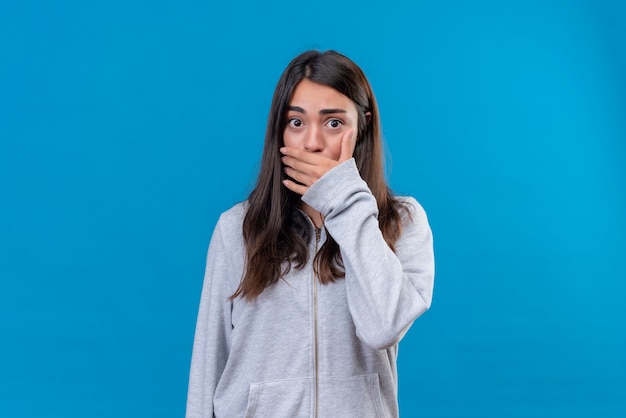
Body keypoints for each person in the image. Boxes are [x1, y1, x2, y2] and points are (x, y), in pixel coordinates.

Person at [186, 50, 435, 418]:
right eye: (296, 122)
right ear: (280, 130)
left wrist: (345, 202)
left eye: (334, 123)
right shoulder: (236, 229)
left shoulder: (403, 221)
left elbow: (384, 327)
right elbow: (210, 361)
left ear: (363, 125)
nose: (313, 143)